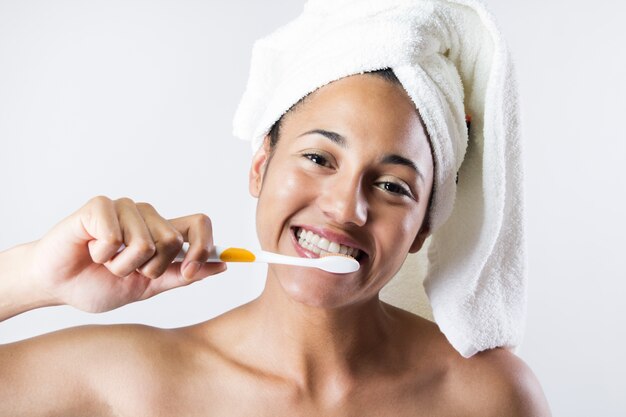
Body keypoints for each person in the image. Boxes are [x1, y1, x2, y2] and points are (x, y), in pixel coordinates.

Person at [0, 1, 552, 415]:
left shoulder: (489, 397)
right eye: (318, 157)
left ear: (423, 229)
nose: (345, 207)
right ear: (260, 166)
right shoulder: (127, 382)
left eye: (392, 186)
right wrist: (37, 277)